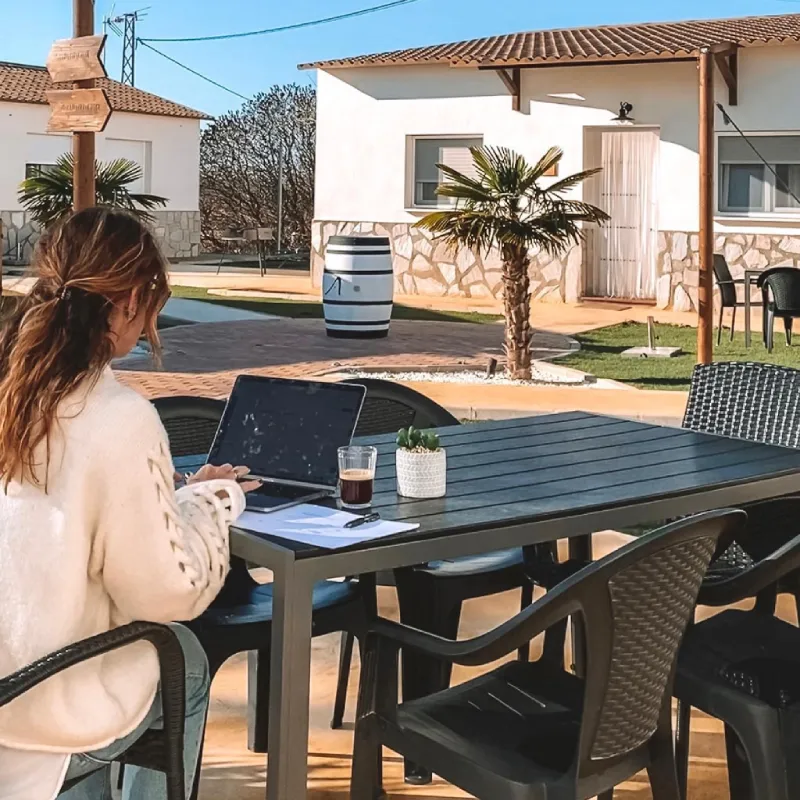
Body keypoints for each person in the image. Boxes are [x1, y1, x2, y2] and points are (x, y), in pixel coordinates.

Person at [0, 208, 254, 800]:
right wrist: (212, 502)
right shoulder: (117, 417)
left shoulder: (16, 391)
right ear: (134, 300)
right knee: (185, 659)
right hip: (39, 707)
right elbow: (165, 593)